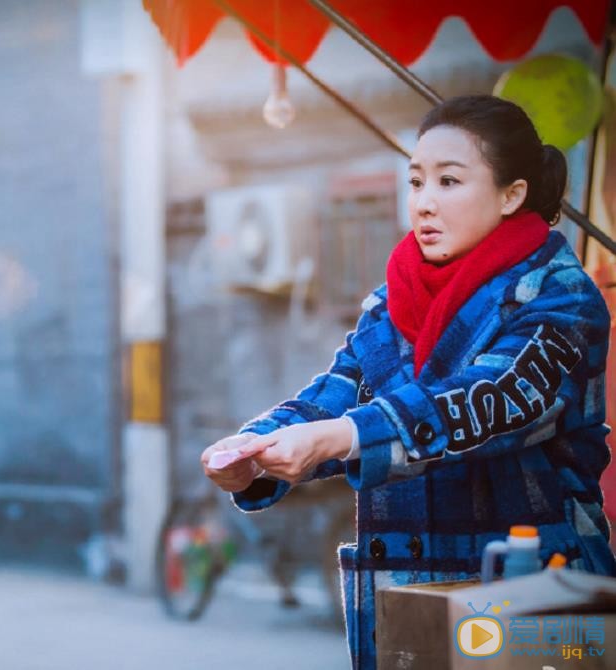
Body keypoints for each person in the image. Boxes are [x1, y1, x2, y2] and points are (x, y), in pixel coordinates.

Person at [201, 95, 616, 669]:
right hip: (408, 595)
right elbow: (336, 393)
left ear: (511, 194)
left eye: (449, 182)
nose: (423, 203)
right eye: (416, 181)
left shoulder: (560, 297)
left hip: (533, 593)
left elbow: (492, 402)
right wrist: (256, 445)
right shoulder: (392, 302)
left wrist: (340, 438)